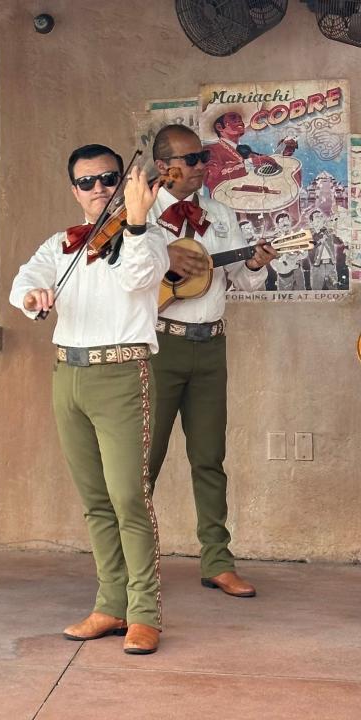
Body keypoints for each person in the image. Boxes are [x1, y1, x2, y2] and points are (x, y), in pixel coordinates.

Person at [9, 144, 168, 655]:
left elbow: (139, 278)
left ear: (124, 182)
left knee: (128, 497)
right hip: (68, 374)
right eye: (87, 181)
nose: (99, 188)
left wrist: (138, 225)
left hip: (122, 373)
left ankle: (144, 612)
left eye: (109, 178)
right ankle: (110, 604)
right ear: (72, 189)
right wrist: (33, 297)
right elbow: (25, 280)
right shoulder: (61, 243)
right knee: (96, 501)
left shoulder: (151, 237)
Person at [148, 125, 276, 599]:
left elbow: (242, 284)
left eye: (205, 156)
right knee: (145, 460)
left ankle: (217, 561)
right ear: (164, 166)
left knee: (209, 458)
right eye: (194, 158)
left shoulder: (220, 214)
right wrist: (165, 270)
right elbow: (122, 283)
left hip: (211, 346)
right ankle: (131, 565)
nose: (204, 165)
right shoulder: (139, 216)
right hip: (162, 346)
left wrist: (256, 263)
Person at [203, 110, 280, 196]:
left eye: (240, 118)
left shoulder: (244, 150)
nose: (240, 121)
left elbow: (268, 162)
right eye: (233, 118)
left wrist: (284, 148)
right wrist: (251, 163)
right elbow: (210, 177)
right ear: (219, 127)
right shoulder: (210, 149)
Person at [306, 209, 344, 291]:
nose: (320, 218)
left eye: (321, 216)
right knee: (316, 291)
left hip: (331, 265)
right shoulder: (308, 235)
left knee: (334, 290)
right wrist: (322, 234)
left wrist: (337, 228)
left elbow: (339, 242)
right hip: (317, 267)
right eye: (317, 217)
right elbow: (312, 245)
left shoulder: (328, 232)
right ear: (312, 223)